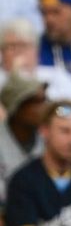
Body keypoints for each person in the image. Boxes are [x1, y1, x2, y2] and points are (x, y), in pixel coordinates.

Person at [0, 18, 71, 107]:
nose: (18, 51)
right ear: (2, 52)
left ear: (36, 51)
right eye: (12, 46)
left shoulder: (57, 75)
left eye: (24, 45)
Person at [0, 72, 46, 205]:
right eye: (35, 102)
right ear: (16, 106)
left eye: (43, 100)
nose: (43, 108)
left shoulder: (49, 138)